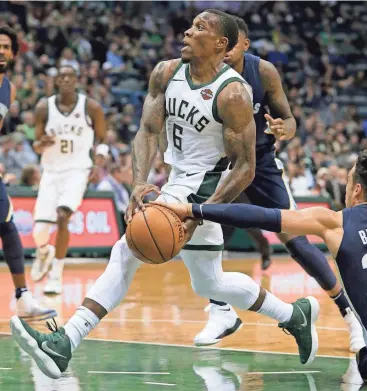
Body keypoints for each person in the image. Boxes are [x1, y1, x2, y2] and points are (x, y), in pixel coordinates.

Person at [9, 10, 320, 379]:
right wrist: (139, 182)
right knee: (210, 283)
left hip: (204, 190)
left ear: (222, 44)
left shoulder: (233, 92)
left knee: (126, 251)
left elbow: (245, 167)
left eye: (200, 28)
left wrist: (203, 210)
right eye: (191, 25)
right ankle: (293, 316)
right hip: (175, 179)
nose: (188, 31)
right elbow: (147, 130)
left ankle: (65, 342)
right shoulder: (166, 72)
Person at [155, 151, 367, 391]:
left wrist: (192, 209)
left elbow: (260, 216)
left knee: (364, 360)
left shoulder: (335, 224)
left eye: (347, 182)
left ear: (356, 190)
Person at [188, 16, 362, 350]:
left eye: (230, 44)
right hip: (222, 166)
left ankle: (349, 313)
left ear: (244, 44)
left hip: (261, 164)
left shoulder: (263, 72)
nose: (223, 51)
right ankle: (220, 311)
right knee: (206, 235)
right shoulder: (203, 69)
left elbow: (291, 119)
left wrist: (285, 129)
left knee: (297, 240)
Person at [30, 65, 106, 294]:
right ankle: (44, 251)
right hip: (51, 172)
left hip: (77, 170)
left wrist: (98, 164)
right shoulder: (44, 107)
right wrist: (41, 144)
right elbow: (36, 143)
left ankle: (56, 274)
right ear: (55, 81)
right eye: (60, 76)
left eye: (69, 76)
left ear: (76, 80)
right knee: (39, 233)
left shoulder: (90, 107)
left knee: (63, 216)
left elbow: (102, 140)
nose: (64, 80)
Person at [0, 26, 56, 320]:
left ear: (13, 53)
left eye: (7, 47)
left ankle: (23, 298)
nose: (1, 50)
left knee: (7, 227)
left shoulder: (6, 86)